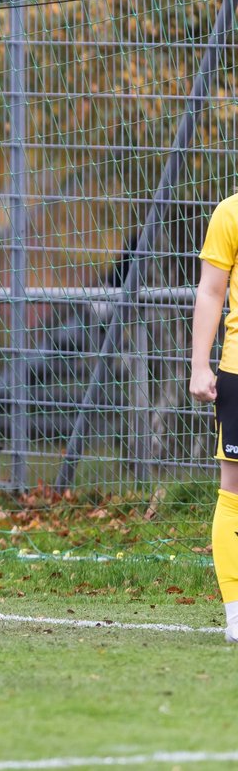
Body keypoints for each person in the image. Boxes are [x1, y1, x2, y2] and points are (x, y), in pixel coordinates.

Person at [190, 192, 238, 641]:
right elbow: (211, 289)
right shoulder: (231, 211)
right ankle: (236, 615)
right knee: (234, 490)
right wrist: (199, 365)